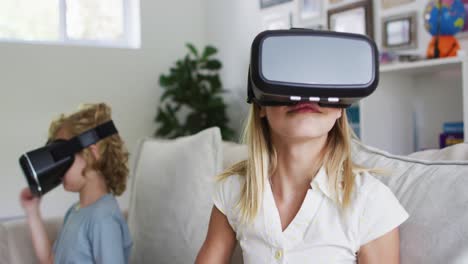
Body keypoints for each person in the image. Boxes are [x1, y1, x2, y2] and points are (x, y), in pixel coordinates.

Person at [196, 101, 409, 263]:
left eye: (320, 84)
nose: (305, 96)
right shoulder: (234, 190)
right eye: (287, 81)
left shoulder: (370, 202)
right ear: (260, 105)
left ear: (340, 108)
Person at [20, 103, 133, 264]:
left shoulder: (104, 218)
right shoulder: (75, 212)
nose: (56, 168)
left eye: (61, 156)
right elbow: (50, 260)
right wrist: (32, 212)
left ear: (92, 154)